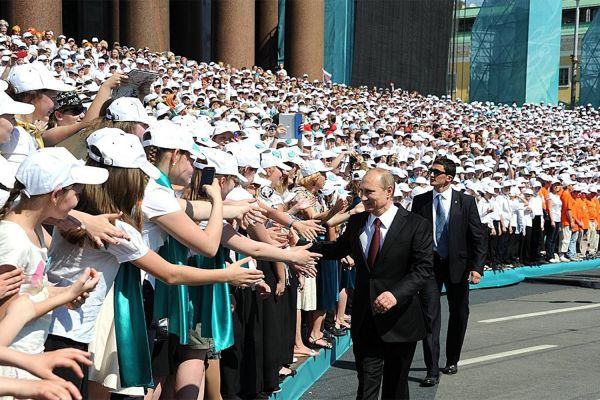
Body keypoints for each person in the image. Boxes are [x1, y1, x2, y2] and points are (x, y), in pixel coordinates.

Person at [310, 168, 433, 400]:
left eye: (369, 192)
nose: (363, 197)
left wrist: (395, 295)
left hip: (400, 320)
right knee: (366, 384)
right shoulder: (357, 222)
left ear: (389, 192)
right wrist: (303, 247)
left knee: (396, 387)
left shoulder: (416, 225)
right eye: (361, 192)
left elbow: (423, 269)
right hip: (366, 318)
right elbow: (337, 250)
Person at [412, 157, 486, 387]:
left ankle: (452, 359)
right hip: (429, 266)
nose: (431, 174)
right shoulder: (420, 201)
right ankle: (432, 369)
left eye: (436, 171)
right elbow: (413, 235)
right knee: (430, 316)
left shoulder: (465, 202)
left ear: (449, 177)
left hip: (458, 266)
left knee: (459, 313)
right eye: (430, 170)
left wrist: (477, 267)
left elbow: (478, 237)